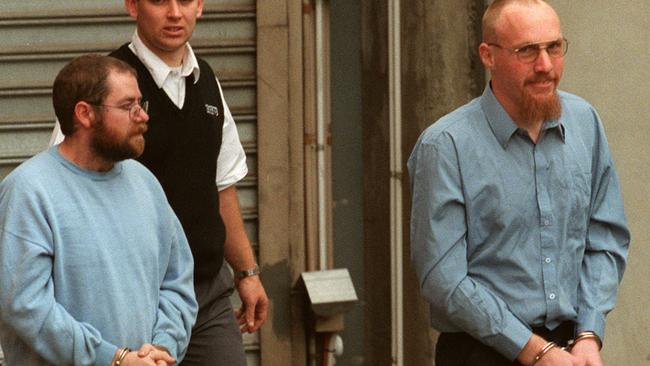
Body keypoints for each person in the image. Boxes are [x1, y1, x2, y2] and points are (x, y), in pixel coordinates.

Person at [408, 1, 630, 365]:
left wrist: (589, 334)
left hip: (572, 348)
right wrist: (534, 350)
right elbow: (442, 278)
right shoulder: (446, 146)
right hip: (480, 351)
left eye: (553, 48)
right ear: (488, 56)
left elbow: (605, 237)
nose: (545, 65)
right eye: (526, 51)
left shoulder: (585, 123)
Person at [50, 1, 268, 364]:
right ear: (132, 6)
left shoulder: (207, 82)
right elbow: (64, 183)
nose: (173, 13)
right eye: (159, 1)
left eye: (184, 1)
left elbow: (222, 187)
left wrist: (247, 272)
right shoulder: (104, 86)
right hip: (130, 296)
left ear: (200, 6)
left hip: (206, 295)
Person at [0, 54, 197, 366]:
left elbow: (177, 281)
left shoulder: (145, 183)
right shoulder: (29, 190)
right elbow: (25, 304)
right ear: (85, 114)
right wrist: (113, 359)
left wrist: (162, 347)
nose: (142, 116)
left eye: (140, 104)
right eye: (126, 106)